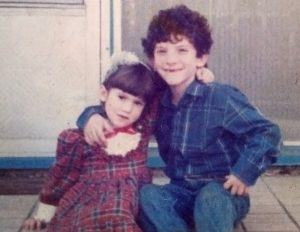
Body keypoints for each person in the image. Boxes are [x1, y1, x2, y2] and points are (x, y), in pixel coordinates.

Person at [75, 5, 281, 232]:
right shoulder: (156, 100)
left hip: (222, 191)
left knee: (210, 198)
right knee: (147, 195)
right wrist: (91, 116)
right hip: (180, 191)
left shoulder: (219, 97)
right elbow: (120, 111)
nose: (171, 60)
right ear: (152, 59)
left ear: (201, 58)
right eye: (162, 51)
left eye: (182, 50)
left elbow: (268, 133)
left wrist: (244, 173)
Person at [22, 51, 156, 232]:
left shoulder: (141, 132)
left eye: (137, 103)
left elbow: (163, 91)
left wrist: (200, 73)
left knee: (121, 219)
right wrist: (41, 216)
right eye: (121, 97)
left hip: (128, 209)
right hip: (88, 207)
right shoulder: (82, 139)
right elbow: (61, 178)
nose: (127, 108)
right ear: (103, 93)